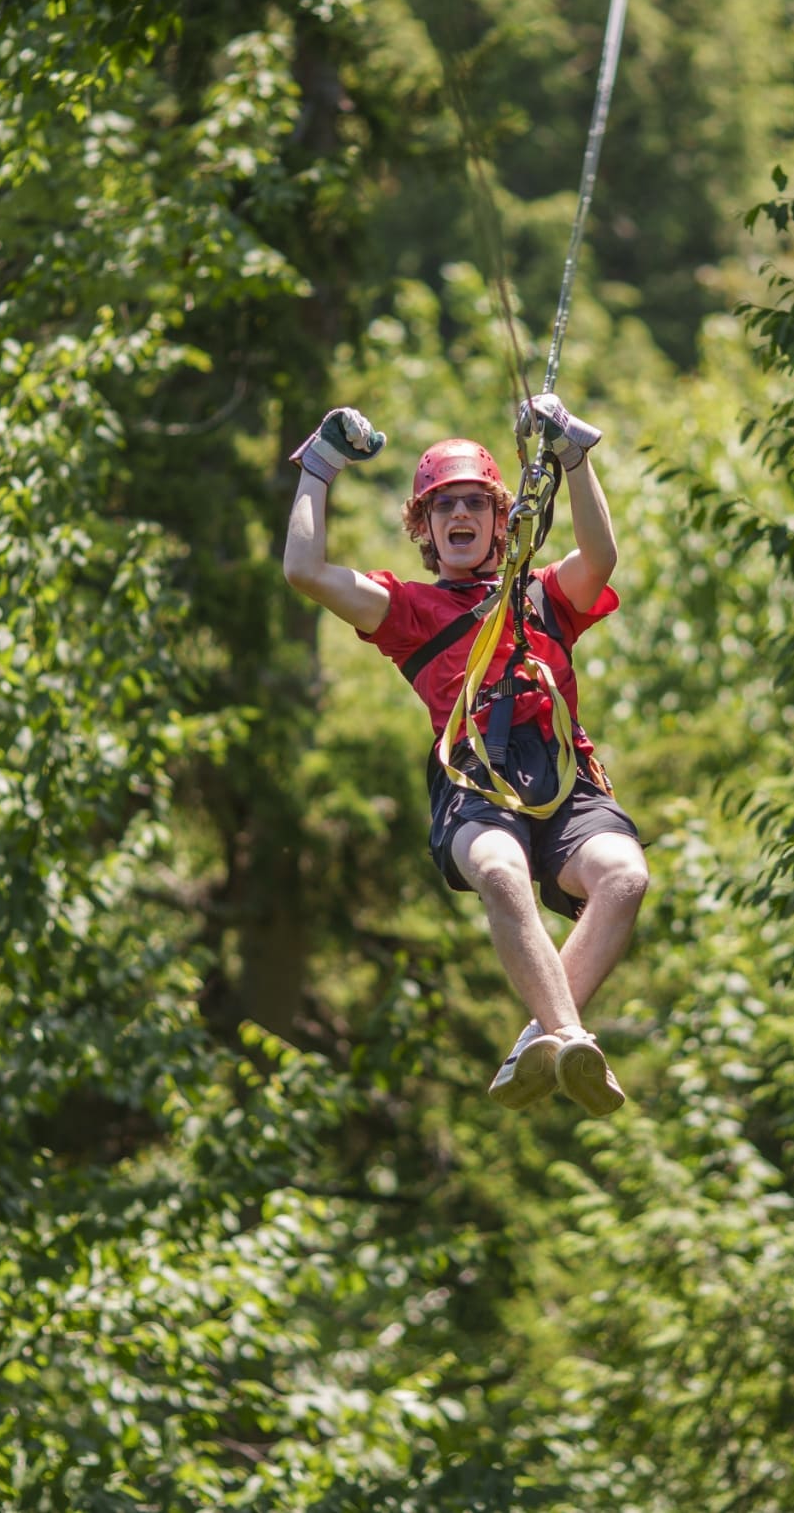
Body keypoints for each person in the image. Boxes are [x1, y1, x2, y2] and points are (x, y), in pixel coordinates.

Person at [280, 396, 650, 1115]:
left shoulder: (540, 597)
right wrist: (319, 467)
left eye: (474, 503)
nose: (459, 515)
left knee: (626, 876)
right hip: (475, 787)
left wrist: (573, 454)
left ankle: (539, 1039)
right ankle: (568, 1033)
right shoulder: (410, 612)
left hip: (562, 780)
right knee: (500, 870)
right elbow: (306, 570)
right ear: (423, 526)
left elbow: (600, 557)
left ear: (498, 518)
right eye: (442, 505)